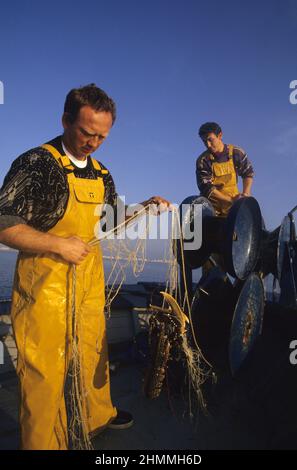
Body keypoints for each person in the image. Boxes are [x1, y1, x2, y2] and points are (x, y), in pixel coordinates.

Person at [0, 84, 170, 450]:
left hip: (89, 277)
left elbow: (108, 222)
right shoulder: (36, 163)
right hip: (44, 281)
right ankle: (43, 443)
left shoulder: (102, 173)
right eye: (86, 132)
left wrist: (143, 207)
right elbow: (3, 221)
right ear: (65, 120)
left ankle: (98, 416)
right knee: (44, 369)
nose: (93, 142)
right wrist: (57, 243)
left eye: (102, 136)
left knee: (94, 349)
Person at [196, 122, 254, 217]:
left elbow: (248, 173)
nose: (208, 145)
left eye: (210, 140)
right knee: (195, 225)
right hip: (210, 208)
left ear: (220, 135)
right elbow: (207, 188)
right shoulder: (203, 160)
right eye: (204, 141)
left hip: (234, 204)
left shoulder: (236, 152)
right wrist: (231, 200)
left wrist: (246, 193)